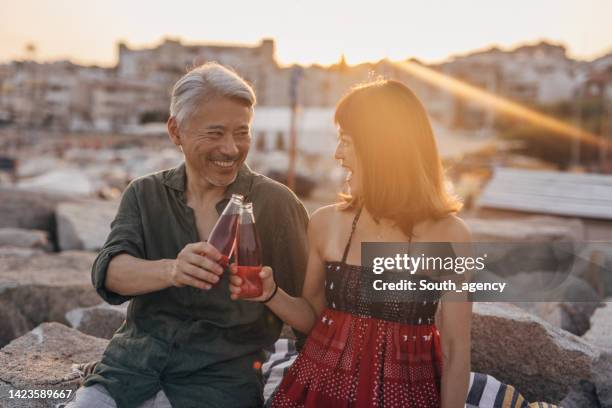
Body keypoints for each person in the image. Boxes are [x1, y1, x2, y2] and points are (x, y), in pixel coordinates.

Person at [65, 63, 309, 408]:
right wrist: (172, 270)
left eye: (242, 133)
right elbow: (109, 274)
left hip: (219, 385)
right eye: (215, 133)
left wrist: (270, 293)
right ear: (175, 131)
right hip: (128, 372)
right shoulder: (144, 193)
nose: (231, 149)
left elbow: (311, 316)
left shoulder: (276, 203)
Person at [229, 79, 473, 407]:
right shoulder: (326, 222)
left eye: (346, 141)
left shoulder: (453, 235)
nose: (337, 154)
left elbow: (457, 351)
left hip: (407, 397)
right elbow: (314, 317)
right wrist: (270, 293)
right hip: (319, 390)